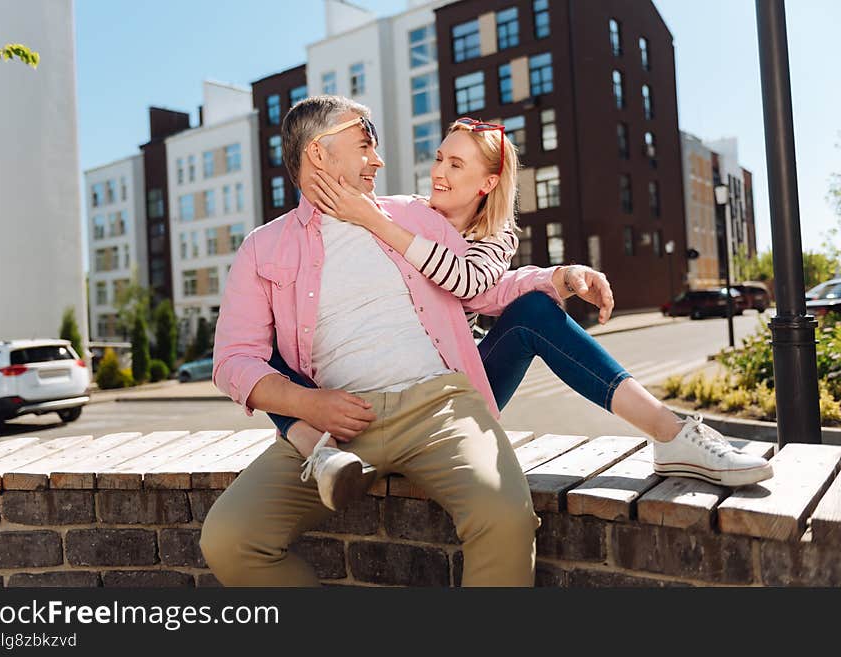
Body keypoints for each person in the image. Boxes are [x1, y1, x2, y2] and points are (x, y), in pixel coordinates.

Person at [270, 115, 774, 508]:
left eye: (456, 165)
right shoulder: (401, 212)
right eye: (440, 158)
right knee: (263, 344)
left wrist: (556, 277)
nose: (439, 173)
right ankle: (318, 448)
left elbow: (474, 286)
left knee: (532, 312)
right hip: (378, 390)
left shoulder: (497, 237)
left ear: (487, 184)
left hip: (452, 390)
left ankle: (673, 435)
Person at [200, 95, 578, 586]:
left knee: (504, 517)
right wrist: (307, 404)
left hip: (437, 406)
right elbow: (233, 360)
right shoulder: (263, 247)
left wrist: (559, 278)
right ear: (319, 151)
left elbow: (476, 287)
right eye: (364, 145)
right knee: (229, 538)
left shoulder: (413, 216)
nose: (378, 160)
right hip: (331, 430)